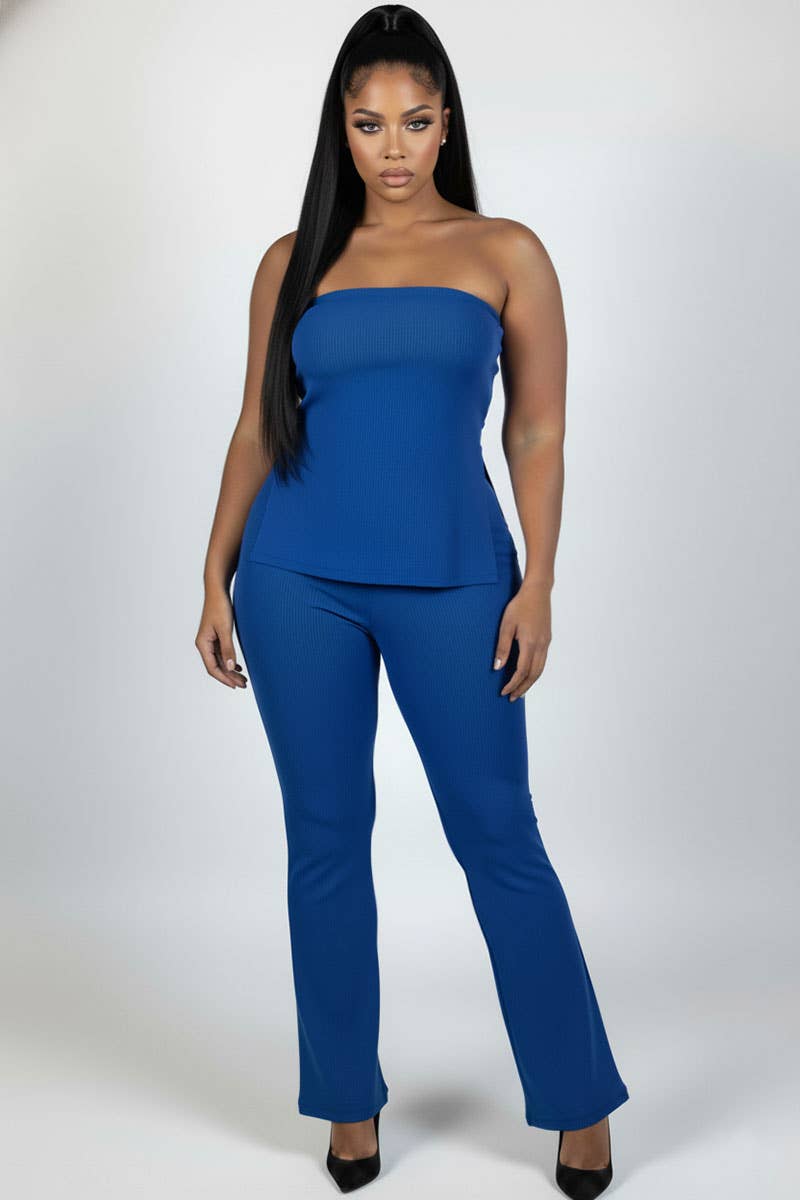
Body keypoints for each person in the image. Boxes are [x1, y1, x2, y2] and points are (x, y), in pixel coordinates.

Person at [196, 5, 630, 1195]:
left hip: (456, 578)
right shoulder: (291, 262)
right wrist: (213, 570)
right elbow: (255, 426)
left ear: (446, 125)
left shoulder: (504, 252)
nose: (392, 146)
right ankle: (346, 1101)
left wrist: (537, 581)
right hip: (295, 579)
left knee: (497, 833)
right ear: (339, 130)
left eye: (415, 120)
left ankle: (578, 1099)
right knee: (324, 839)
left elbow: (534, 431)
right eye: (369, 123)